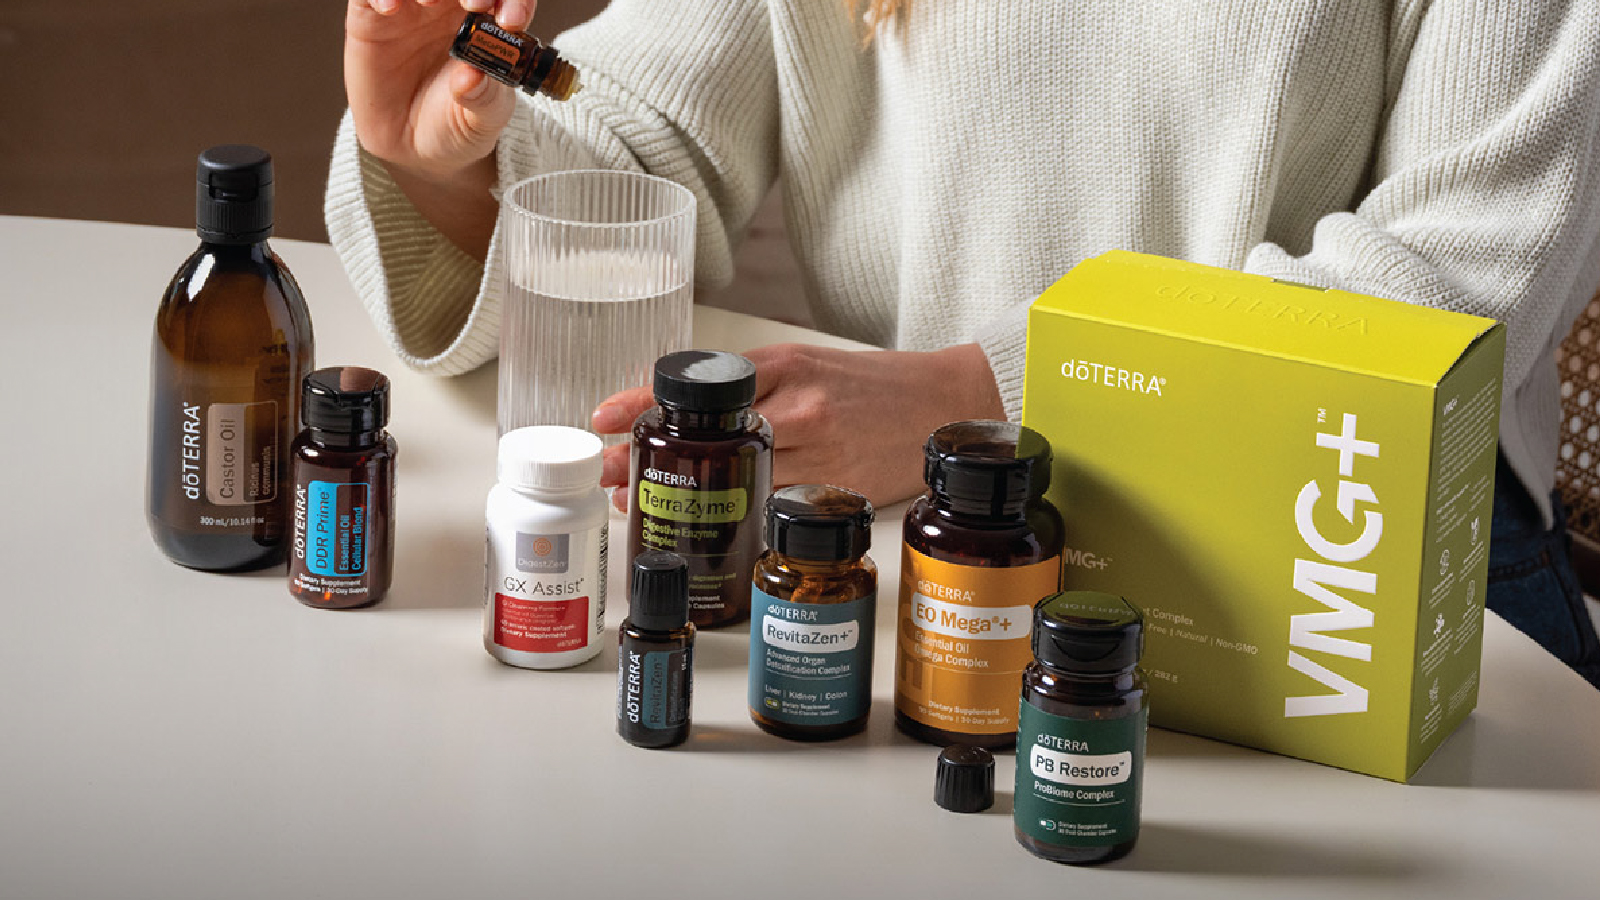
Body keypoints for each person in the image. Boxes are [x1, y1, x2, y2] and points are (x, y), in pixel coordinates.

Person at [329, 0, 1600, 685]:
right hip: (942, 563)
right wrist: (451, 162)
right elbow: (637, 135)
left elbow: (1443, 286)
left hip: (1353, 578)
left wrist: (984, 391)